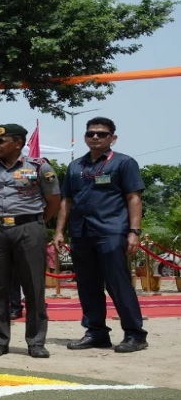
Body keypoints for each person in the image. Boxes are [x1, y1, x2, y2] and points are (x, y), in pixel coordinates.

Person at [54, 116, 148, 353]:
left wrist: (134, 231)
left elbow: (133, 198)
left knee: (118, 284)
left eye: (102, 134)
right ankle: (96, 333)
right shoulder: (76, 166)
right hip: (81, 233)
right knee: (87, 285)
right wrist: (59, 231)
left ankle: (135, 334)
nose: (95, 137)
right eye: (91, 133)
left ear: (112, 138)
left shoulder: (124, 163)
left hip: (111, 231)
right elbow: (66, 200)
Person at [0, 124, 60, 359]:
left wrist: (37, 223)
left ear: (18, 143)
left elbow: (53, 200)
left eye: (2, 141)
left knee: (33, 287)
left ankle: (36, 341)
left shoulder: (39, 167)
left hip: (29, 228)